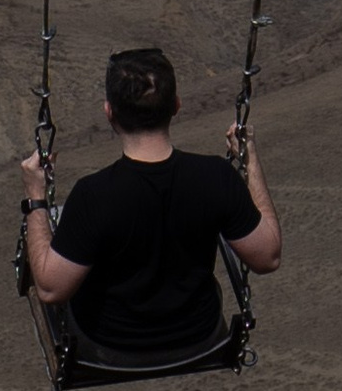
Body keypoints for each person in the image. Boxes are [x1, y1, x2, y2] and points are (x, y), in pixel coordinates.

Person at [19, 43, 281, 356]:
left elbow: (50, 289)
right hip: (198, 336)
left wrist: (36, 198)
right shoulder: (216, 177)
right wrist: (250, 160)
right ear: (176, 105)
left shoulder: (93, 195)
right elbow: (268, 257)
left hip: (112, 347)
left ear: (109, 112)